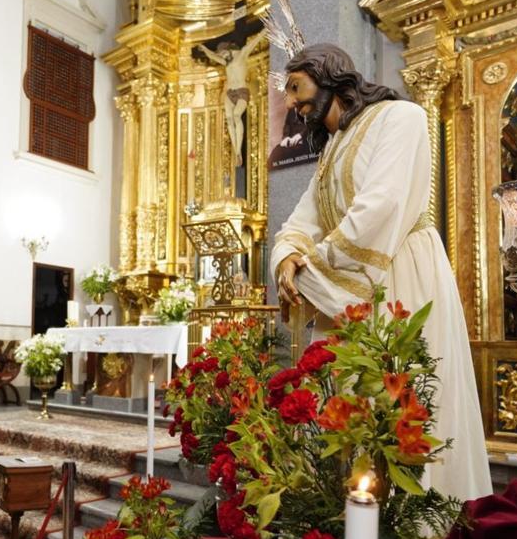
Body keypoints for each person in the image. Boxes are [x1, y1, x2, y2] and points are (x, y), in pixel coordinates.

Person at [270, 43, 492, 501]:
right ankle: (352, 530)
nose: (290, 103)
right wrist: (289, 257)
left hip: (401, 274)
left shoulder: (400, 117)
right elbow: (299, 222)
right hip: (348, 293)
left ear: (328, 73)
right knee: (351, 412)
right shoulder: (331, 150)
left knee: (404, 400)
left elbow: (383, 204)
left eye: (295, 87)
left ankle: (417, 533)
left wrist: (313, 265)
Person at [197, 31, 264, 165]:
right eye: (221, 55)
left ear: (228, 50)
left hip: (241, 91)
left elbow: (256, 40)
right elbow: (212, 55)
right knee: (229, 118)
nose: (222, 57)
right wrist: (204, 48)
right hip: (230, 93)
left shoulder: (242, 54)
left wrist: (266, 29)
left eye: (223, 54)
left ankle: (238, 150)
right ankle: (237, 152)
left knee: (236, 115)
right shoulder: (226, 61)